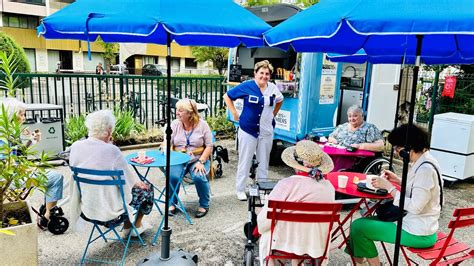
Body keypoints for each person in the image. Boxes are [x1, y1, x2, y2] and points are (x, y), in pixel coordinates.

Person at [346, 124, 442, 266]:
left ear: (408, 147)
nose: (397, 153)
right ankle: (359, 262)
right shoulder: (427, 161)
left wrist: (389, 187)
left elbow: (416, 207)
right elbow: (419, 189)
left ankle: (366, 263)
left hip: (417, 232)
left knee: (359, 227)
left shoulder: (425, 170)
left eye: (397, 148)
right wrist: (397, 180)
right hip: (418, 225)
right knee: (361, 223)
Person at [69, 110, 152, 237]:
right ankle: (132, 226)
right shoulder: (112, 151)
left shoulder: (76, 146)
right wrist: (139, 184)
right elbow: (130, 182)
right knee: (146, 189)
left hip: (88, 209)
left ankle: (130, 226)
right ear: (108, 131)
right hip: (111, 213)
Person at [257, 140, 335, 266]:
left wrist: (259, 218)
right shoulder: (328, 187)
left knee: (268, 229)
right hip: (315, 242)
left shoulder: (287, 184)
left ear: (295, 164)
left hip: (285, 241)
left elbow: (266, 220)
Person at [0, 97, 65, 230]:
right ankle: (47, 217)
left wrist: (31, 141)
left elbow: (17, 154)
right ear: (11, 114)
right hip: (7, 180)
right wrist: (28, 169)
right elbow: (5, 164)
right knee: (56, 177)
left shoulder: (7, 132)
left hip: (12, 175)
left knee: (50, 175)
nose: (24, 118)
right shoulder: (4, 136)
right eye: (21, 114)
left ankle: (48, 210)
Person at [223, 60, 284, 201]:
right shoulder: (247, 86)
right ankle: (240, 189)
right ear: (255, 73)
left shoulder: (273, 88)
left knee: (263, 161)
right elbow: (227, 96)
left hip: (266, 131)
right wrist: (234, 113)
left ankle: (262, 189)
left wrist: (273, 113)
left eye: (267, 73)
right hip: (248, 130)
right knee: (245, 160)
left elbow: (280, 100)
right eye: (261, 73)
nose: (264, 76)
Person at [161, 99, 213, 218]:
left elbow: (209, 146)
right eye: (177, 110)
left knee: (199, 176)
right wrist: (165, 147)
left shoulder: (203, 125)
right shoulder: (174, 124)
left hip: (197, 159)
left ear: (190, 113)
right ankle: (171, 202)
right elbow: (167, 142)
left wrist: (201, 161)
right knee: (172, 175)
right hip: (178, 159)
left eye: (180, 111)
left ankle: (204, 204)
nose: (177, 113)